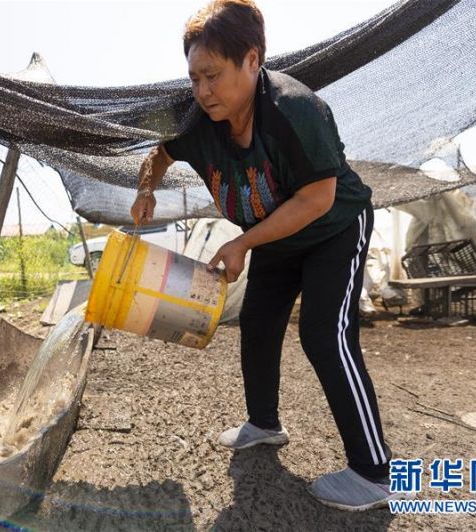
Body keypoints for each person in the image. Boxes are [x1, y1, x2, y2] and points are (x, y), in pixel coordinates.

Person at [130, 0, 399, 511]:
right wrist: (147, 189)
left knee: (324, 334)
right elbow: (159, 153)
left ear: (252, 60)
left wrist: (242, 242)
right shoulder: (196, 121)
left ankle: (374, 472)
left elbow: (317, 198)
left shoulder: (295, 110)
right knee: (257, 324)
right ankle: (264, 423)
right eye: (194, 78)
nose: (202, 91)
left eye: (213, 75)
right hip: (275, 236)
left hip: (334, 228)